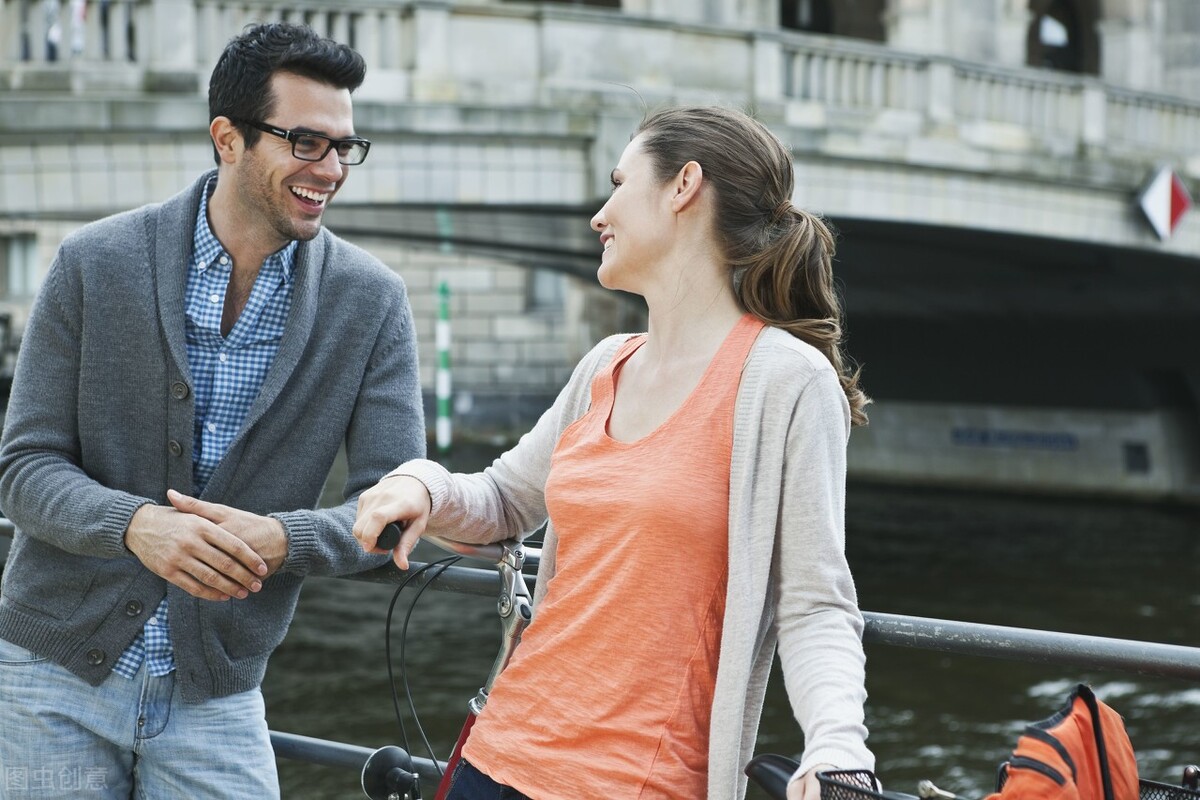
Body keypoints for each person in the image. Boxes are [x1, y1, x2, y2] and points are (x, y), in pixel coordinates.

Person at [354, 105, 874, 800]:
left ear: (683, 186)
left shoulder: (785, 380)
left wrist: (838, 748)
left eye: (618, 183)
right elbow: (507, 500)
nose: (599, 215)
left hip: (632, 782)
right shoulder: (606, 363)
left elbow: (815, 603)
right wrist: (424, 484)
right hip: (496, 755)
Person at [0, 22, 424, 799]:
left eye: (343, 146)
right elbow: (21, 469)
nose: (329, 169)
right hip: (44, 679)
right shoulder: (94, 264)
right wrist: (135, 526)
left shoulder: (371, 303)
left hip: (216, 692)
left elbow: (394, 505)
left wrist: (282, 539)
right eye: (305, 142)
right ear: (227, 138)